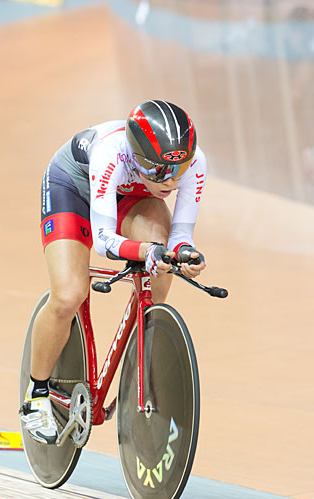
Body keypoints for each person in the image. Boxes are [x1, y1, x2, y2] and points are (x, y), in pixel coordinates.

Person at [20, 100, 207, 444]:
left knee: (160, 269)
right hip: (73, 187)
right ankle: (37, 394)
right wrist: (147, 251)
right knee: (69, 294)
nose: (169, 182)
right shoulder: (112, 153)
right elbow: (106, 242)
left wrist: (185, 253)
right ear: (137, 158)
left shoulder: (192, 163)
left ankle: (138, 362)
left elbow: (180, 236)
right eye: (159, 172)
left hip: (130, 195)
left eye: (176, 173)